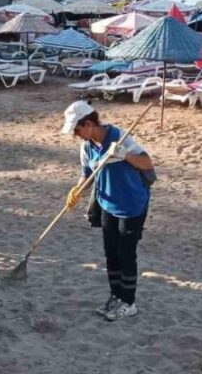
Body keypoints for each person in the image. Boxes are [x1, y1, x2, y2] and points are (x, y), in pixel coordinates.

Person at [61, 101, 154, 321]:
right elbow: (86, 173)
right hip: (106, 203)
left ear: (90, 123)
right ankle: (116, 296)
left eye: (77, 129)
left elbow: (147, 163)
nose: (76, 135)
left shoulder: (119, 137)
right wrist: (77, 190)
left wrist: (124, 154)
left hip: (131, 204)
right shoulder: (86, 146)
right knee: (111, 253)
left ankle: (128, 302)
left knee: (126, 254)